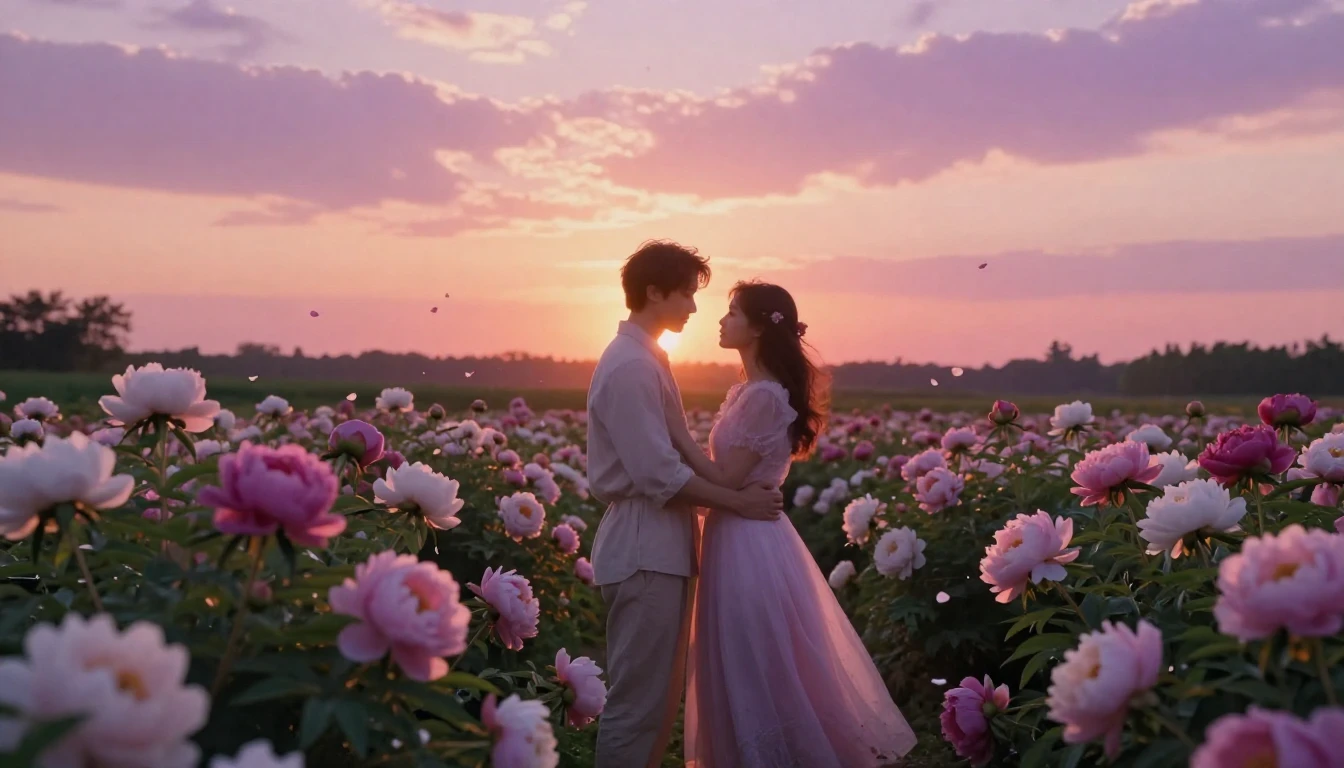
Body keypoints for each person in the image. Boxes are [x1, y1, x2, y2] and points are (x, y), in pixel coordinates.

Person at [667, 280, 918, 767]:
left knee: (754, 656)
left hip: (747, 539)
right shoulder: (748, 391)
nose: (721, 320)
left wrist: (676, 435)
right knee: (745, 654)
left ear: (760, 327)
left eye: (733, 312)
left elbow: (726, 477)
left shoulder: (764, 397)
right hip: (737, 529)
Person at [586, 241, 786, 768]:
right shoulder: (630, 365)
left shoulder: (647, 358)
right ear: (654, 292)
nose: (695, 308)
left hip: (659, 544)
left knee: (657, 703)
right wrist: (736, 502)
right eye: (686, 295)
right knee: (639, 704)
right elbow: (657, 474)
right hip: (643, 544)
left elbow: (674, 458)